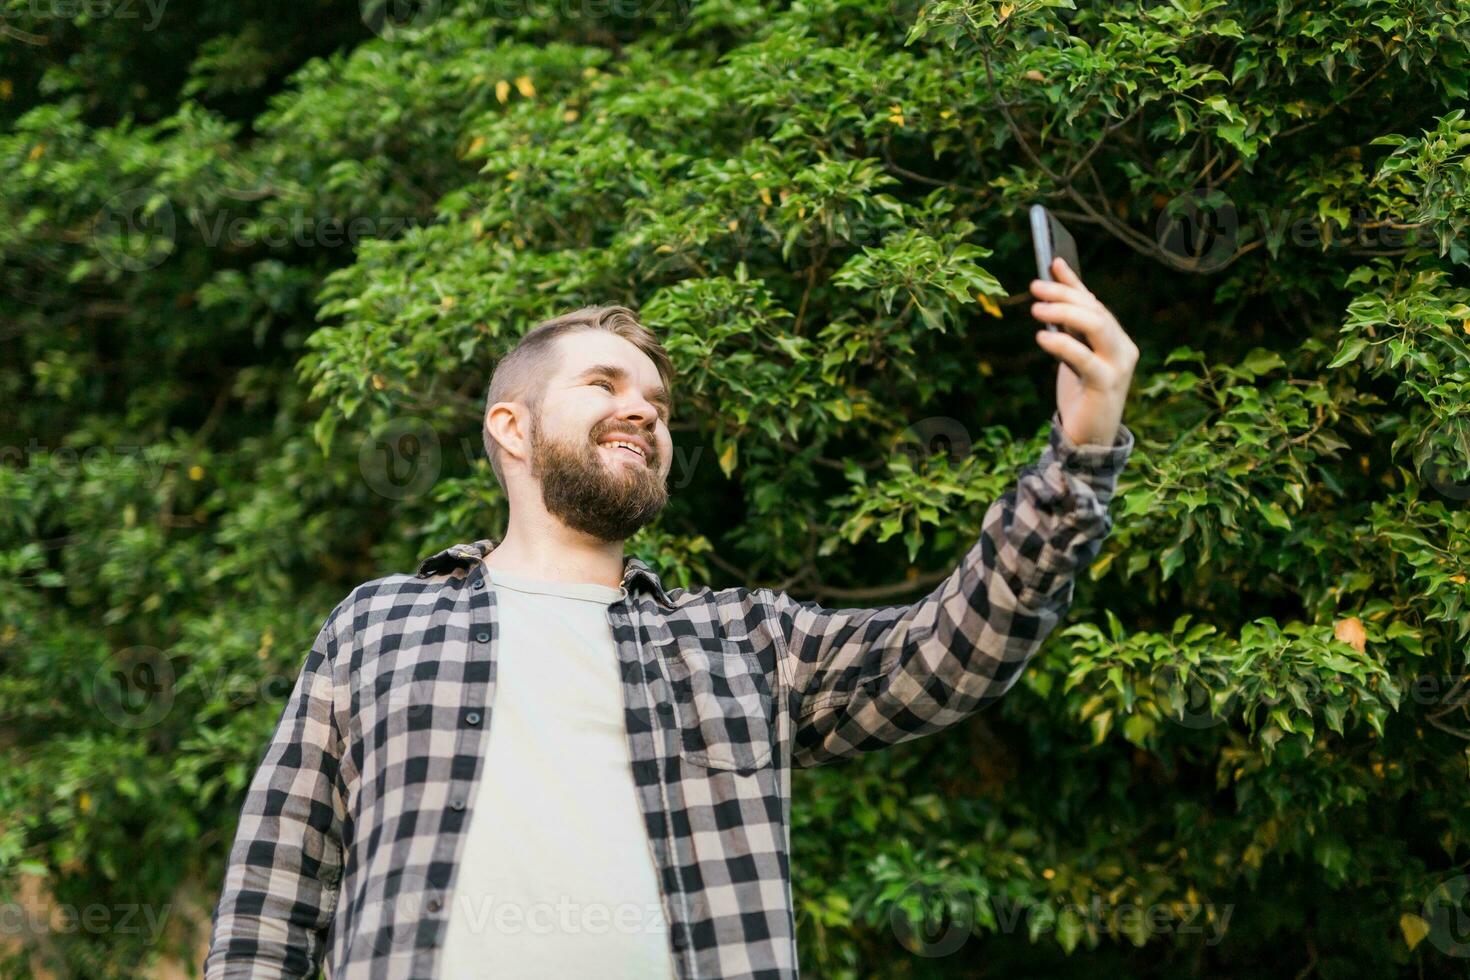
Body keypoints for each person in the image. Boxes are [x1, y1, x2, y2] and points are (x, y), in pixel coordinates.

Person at [203, 257, 1138, 979]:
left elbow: (951, 652)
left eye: (657, 403)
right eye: (604, 386)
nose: (642, 411)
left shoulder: (742, 642)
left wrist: (1083, 450)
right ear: (511, 428)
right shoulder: (380, 624)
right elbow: (274, 891)